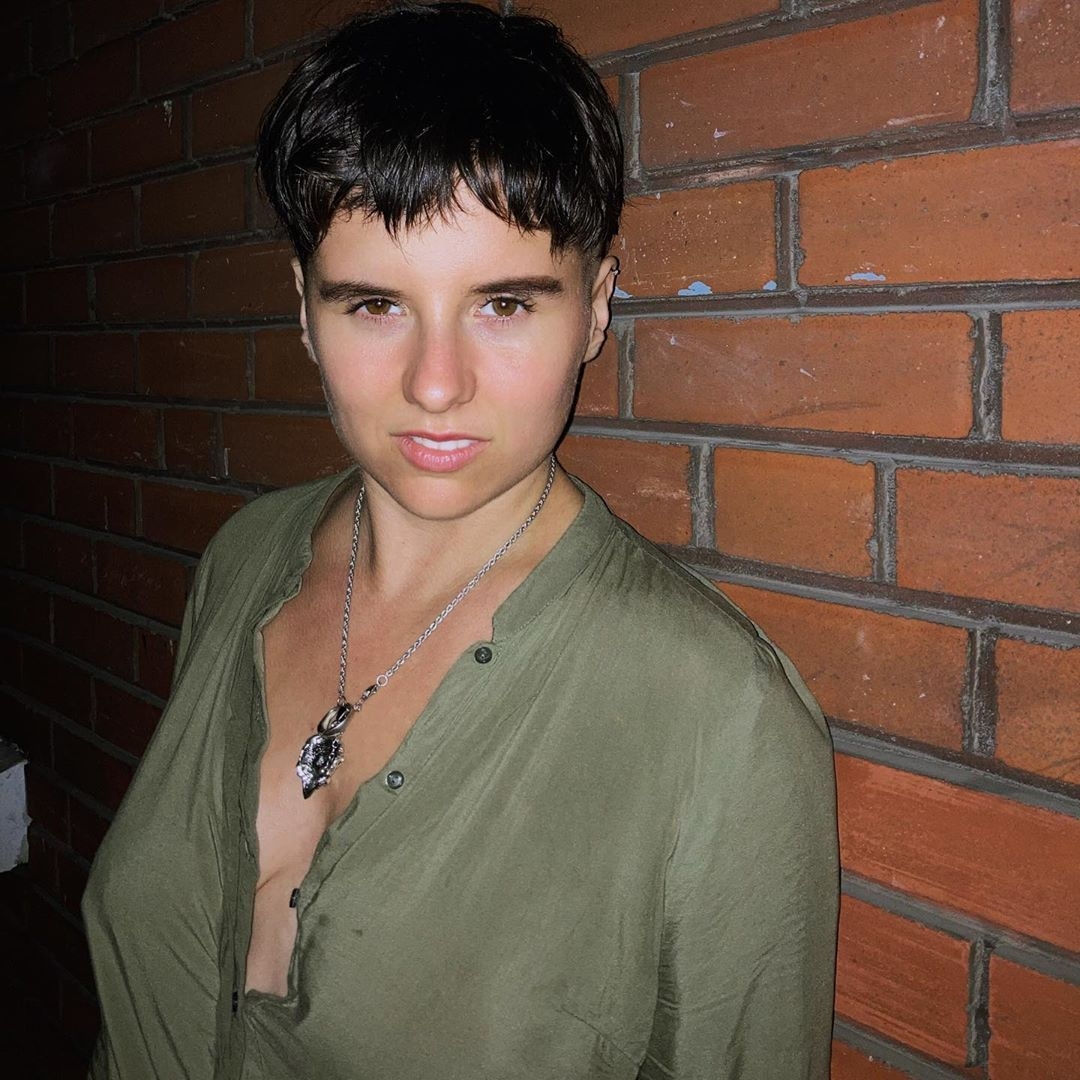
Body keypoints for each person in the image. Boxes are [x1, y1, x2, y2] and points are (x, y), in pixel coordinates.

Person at [82, 3, 839, 1077]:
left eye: (503, 305)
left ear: (595, 308)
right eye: (376, 306)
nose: (437, 386)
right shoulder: (243, 561)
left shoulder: (717, 715)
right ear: (304, 310)